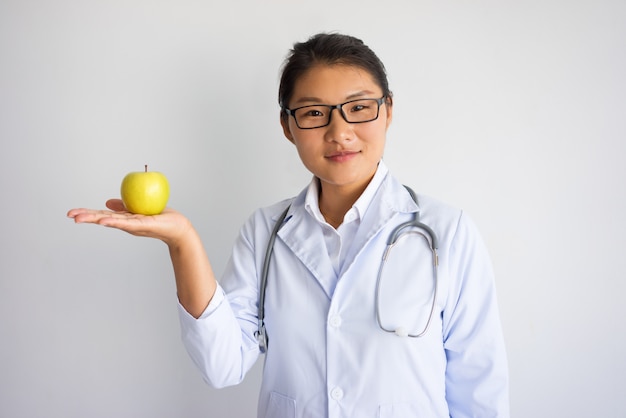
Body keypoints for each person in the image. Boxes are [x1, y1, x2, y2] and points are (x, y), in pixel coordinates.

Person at [68, 32, 509, 417]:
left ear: (388, 110)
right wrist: (182, 241)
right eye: (315, 113)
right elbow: (222, 366)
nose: (340, 132)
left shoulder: (448, 233)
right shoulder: (266, 231)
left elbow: (480, 388)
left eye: (358, 108)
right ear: (287, 125)